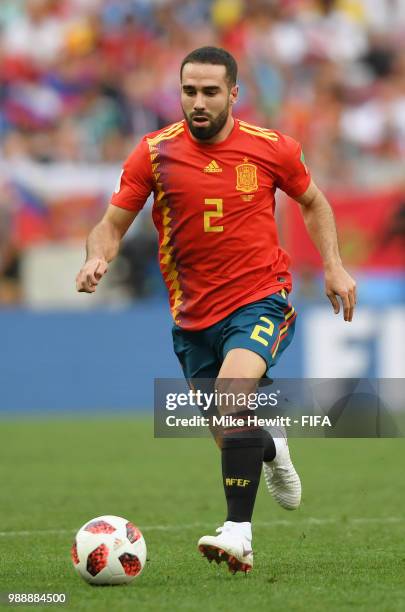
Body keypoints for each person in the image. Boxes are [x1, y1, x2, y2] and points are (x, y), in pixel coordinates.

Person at [76, 46, 356, 574]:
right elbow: (111, 224)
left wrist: (334, 266)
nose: (198, 102)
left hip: (259, 297)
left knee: (232, 400)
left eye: (209, 92)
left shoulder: (272, 148)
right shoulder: (153, 152)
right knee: (230, 430)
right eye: (189, 91)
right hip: (191, 315)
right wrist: (97, 256)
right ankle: (272, 446)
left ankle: (237, 533)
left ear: (233, 94)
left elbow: (314, 201)